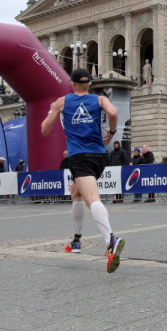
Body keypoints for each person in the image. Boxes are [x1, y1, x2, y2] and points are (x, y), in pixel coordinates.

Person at [41, 68, 125, 273]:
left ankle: (110, 240)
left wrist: (52, 110)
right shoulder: (99, 99)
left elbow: (44, 130)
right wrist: (112, 132)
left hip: (79, 156)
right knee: (76, 192)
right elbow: (113, 113)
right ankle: (76, 240)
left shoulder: (62, 101)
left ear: (72, 84)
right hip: (98, 155)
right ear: (89, 84)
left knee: (92, 198)